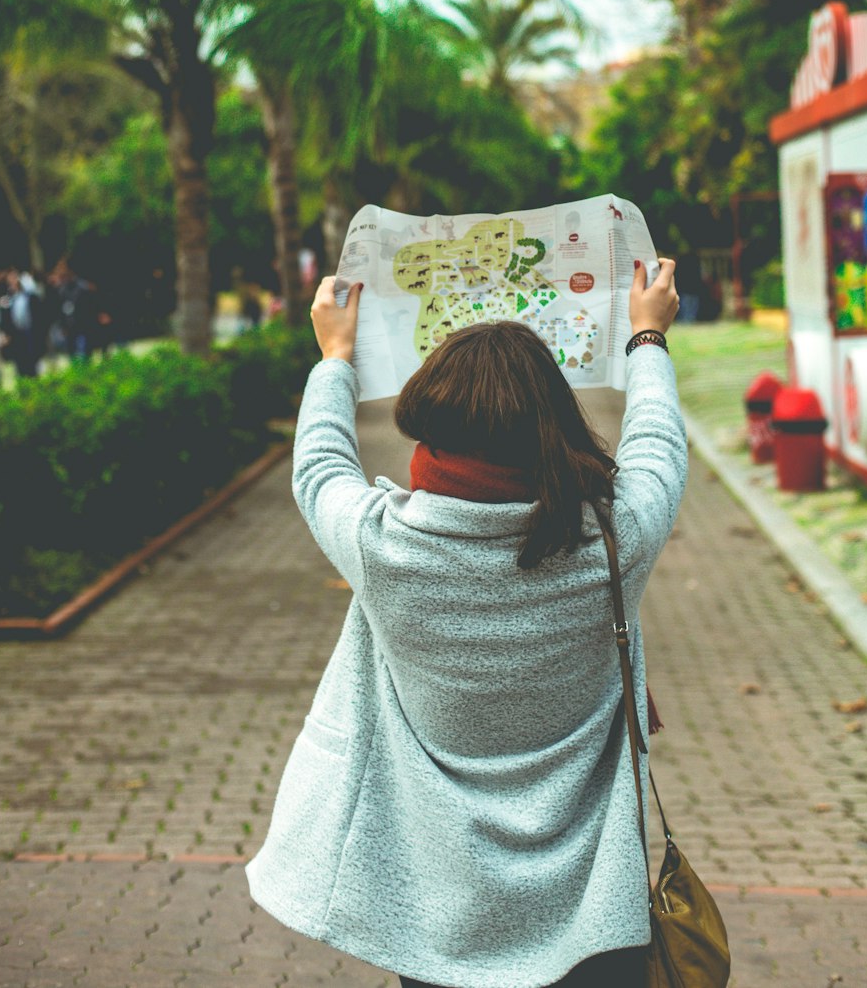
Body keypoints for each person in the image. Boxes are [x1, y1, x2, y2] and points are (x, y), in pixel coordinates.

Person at [247, 258, 685, 988]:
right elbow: (657, 446)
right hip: (592, 918)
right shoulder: (614, 542)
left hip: (440, 923)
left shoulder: (383, 546)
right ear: (553, 425)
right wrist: (648, 337)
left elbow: (318, 468)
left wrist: (334, 357)